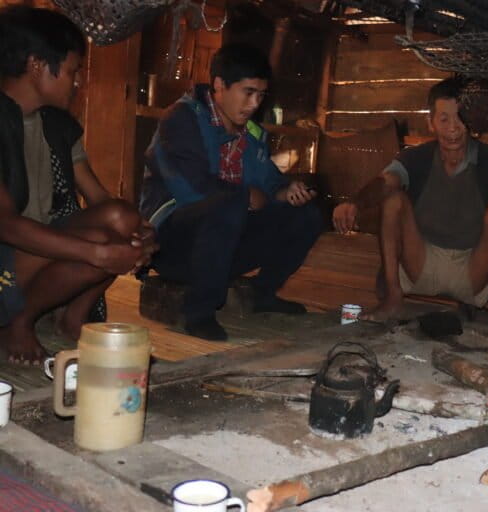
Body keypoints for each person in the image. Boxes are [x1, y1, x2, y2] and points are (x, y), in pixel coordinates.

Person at [332, 78, 488, 331]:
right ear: (431, 123)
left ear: (470, 121)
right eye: (444, 119)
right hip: (420, 264)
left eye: (460, 119)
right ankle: (393, 298)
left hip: (473, 270)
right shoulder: (416, 158)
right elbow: (385, 182)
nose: (453, 128)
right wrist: (355, 202)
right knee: (393, 200)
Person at [0, 6, 156, 364]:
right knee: (100, 244)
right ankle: (17, 323)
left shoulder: (57, 125)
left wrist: (140, 234)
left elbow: (101, 201)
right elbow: (6, 224)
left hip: (34, 250)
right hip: (7, 256)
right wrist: (97, 253)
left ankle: (73, 320)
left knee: (121, 222)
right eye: (72, 71)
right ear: (38, 66)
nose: (77, 82)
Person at [140, 43, 322, 341]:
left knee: (306, 215)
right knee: (230, 202)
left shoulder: (251, 133)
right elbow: (191, 189)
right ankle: (199, 311)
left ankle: (262, 294)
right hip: (171, 244)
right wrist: (246, 197)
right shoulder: (182, 118)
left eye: (260, 95)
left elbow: (268, 183)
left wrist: (286, 192)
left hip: (224, 242)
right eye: (248, 92)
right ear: (220, 85)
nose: (254, 103)